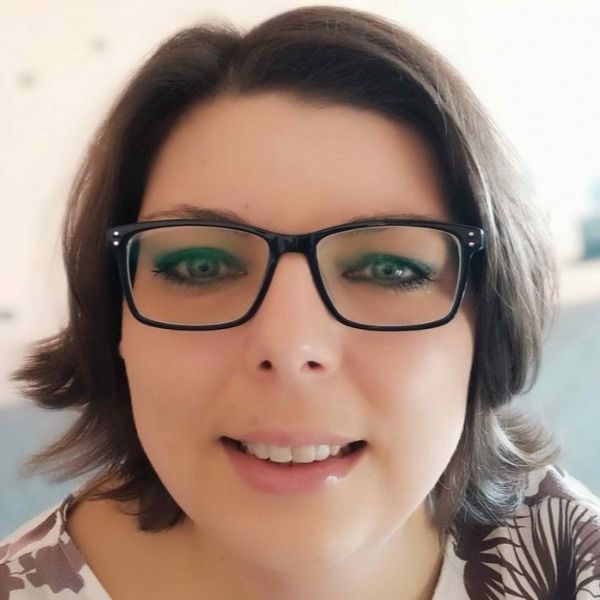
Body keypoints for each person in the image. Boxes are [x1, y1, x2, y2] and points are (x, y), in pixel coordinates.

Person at [1, 5, 599, 599]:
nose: (289, 348)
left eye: (389, 269)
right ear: (117, 325)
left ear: (487, 321)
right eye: (199, 267)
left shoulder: (576, 560)